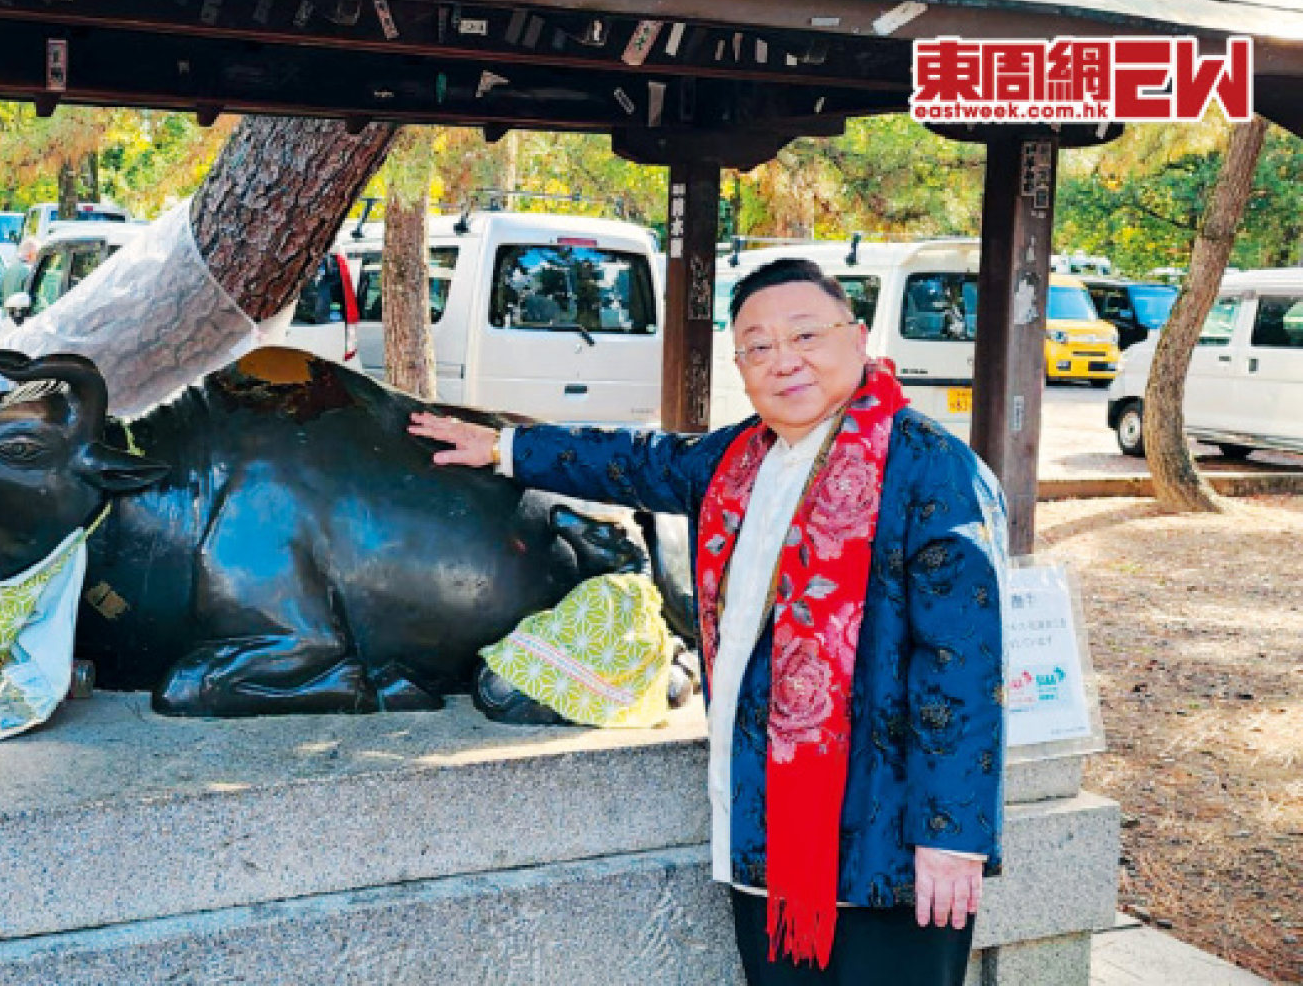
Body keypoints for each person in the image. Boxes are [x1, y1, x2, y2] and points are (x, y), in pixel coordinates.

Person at [409, 258, 1007, 985]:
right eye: (758, 346)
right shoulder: (736, 458)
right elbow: (637, 461)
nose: (784, 360)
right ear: (741, 367)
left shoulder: (931, 469)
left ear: (856, 338)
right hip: (765, 829)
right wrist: (504, 448)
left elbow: (963, 662)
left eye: (806, 335)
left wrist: (952, 835)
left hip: (891, 843)